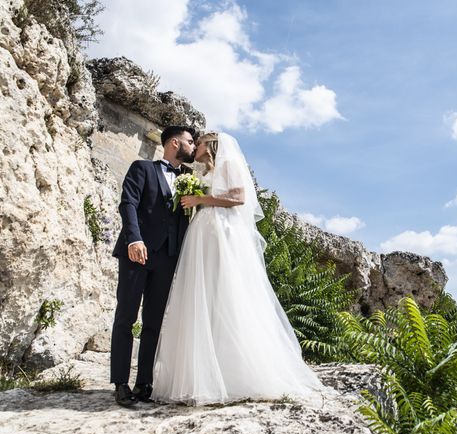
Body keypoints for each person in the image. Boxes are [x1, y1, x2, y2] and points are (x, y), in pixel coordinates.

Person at [151, 132, 324, 405]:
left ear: (211, 146)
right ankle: (203, 372)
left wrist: (201, 200)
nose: (195, 146)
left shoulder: (227, 165)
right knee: (205, 295)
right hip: (205, 233)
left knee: (224, 293)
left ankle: (232, 373)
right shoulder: (207, 171)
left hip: (222, 231)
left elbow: (239, 197)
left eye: (200, 142)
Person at [110, 125, 196, 407]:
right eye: (189, 142)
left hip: (168, 257)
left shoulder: (190, 179)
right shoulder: (142, 168)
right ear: (174, 143)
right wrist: (134, 239)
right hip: (138, 252)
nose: (193, 147)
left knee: (154, 322)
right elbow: (128, 203)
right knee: (126, 316)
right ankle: (120, 383)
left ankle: (144, 383)